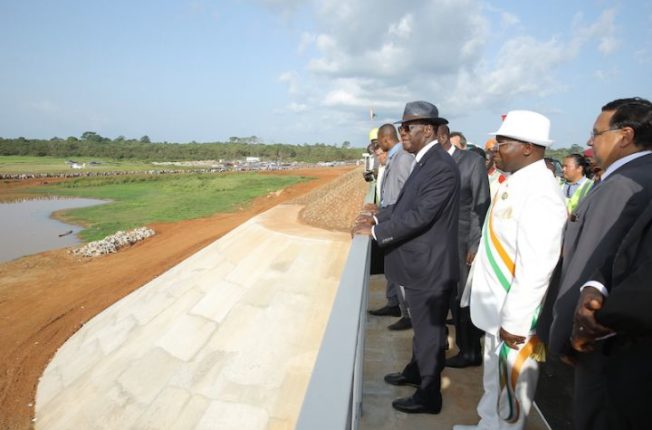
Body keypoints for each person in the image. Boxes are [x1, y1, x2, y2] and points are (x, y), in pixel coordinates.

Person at [540, 97, 652, 430]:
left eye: (596, 132)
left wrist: (564, 337)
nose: (590, 141)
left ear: (625, 136)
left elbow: (587, 266)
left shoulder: (621, 186)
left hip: (599, 341)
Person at [454, 110, 567, 430]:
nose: (495, 149)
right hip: (496, 307)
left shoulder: (542, 193)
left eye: (503, 143)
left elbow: (537, 267)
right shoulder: (517, 183)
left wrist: (517, 320)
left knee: (511, 388)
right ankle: (487, 424)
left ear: (528, 147)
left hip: (515, 315)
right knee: (494, 379)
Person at [353, 100, 459, 414]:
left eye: (407, 127)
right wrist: (377, 217)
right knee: (423, 330)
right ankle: (416, 371)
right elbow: (404, 208)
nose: (402, 133)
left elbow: (420, 217)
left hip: (429, 268)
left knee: (429, 332)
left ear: (427, 130)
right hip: (421, 266)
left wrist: (373, 234)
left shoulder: (438, 165)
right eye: (401, 127)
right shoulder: (424, 161)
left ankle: (429, 395)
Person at [437, 125, 490, 368]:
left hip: (464, 244)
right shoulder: (430, 163)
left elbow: (481, 203)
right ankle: (459, 346)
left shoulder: (470, 162)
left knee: (463, 299)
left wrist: (475, 243)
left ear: (442, 136)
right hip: (440, 244)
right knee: (449, 298)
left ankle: (470, 351)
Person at [367, 123, 415, 331]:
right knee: (393, 268)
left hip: (399, 223)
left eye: (378, 142)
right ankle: (396, 305)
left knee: (402, 271)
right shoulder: (397, 157)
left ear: (386, 139)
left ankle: (409, 314)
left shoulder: (403, 158)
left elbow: (407, 195)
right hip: (391, 218)